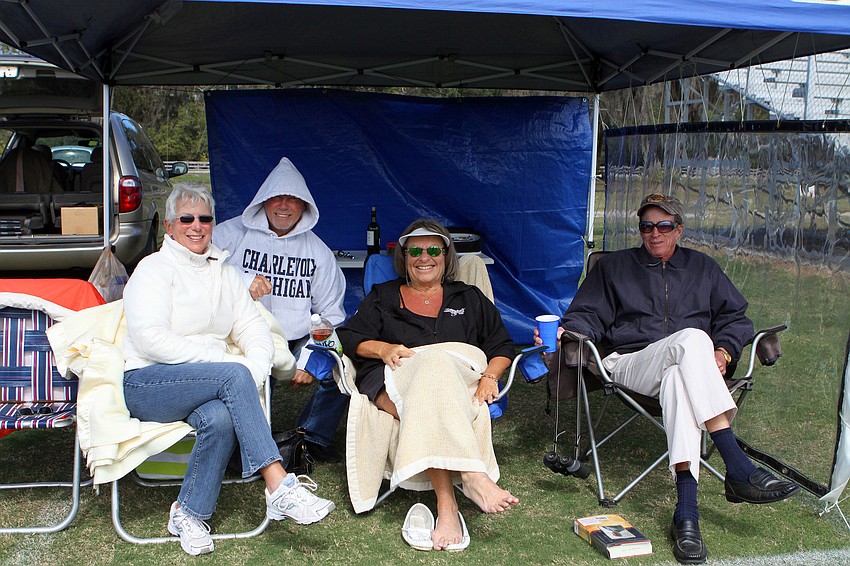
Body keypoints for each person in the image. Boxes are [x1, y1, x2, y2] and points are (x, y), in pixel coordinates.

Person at [543, 193, 799, 564]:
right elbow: (586, 315)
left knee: (680, 377)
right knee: (692, 338)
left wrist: (724, 352)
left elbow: (735, 318)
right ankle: (737, 465)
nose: (655, 233)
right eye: (647, 226)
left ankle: (687, 515)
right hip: (630, 363)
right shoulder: (613, 267)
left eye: (664, 226)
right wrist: (568, 331)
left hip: (690, 370)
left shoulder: (702, 267)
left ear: (678, 230)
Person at [122, 184, 335, 556]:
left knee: (220, 418)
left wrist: (256, 366)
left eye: (205, 218)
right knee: (232, 373)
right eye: (186, 218)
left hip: (204, 383)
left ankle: (188, 514)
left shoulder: (224, 271)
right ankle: (279, 484)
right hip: (148, 383)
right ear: (169, 226)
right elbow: (150, 339)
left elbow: (252, 326)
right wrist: (221, 361)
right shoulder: (153, 269)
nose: (197, 226)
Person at [337, 219, 519, 552]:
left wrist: (490, 376)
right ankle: (468, 479)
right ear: (404, 258)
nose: (425, 257)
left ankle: (449, 505)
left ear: (446, 257)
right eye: (415, 251)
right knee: (430, 374)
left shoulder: (469, 297)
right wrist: (384, 348)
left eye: (434, 250)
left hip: (457, 380)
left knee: (434, 378)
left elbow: (502, 345)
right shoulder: (383, 296)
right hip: (395, 379)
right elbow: (349, 337)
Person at [214, 157, 348, 462]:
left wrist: (311, 359)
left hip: (296, 337)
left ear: (305, 206)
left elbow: (331, 313)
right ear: (264, 200)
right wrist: (242, 281)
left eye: (293, 199)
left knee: (343, 364)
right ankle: (245, 444)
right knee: (250, 378)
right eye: (277, 197)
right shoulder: (231, 234)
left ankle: (308, 438)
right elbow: (199, 272)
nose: (284, 206)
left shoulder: (318, 252)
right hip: (244, 333)